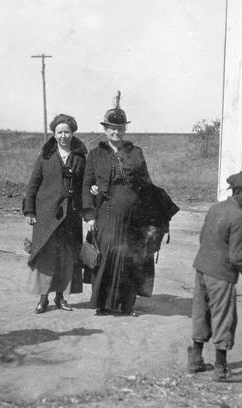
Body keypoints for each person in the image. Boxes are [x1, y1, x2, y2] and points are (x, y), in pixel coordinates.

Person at [187, 172, 242, 382]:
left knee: (201, 314)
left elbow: (202, 237)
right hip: (221, 275)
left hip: (202, 268)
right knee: (224, 318)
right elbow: (239, 256)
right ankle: (221, 370)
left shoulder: (216, 208)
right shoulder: (240, 218)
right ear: (238, 193)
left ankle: (195, 360)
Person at [82, 93, 154, 316]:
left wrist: (151, 219)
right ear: (105, 129)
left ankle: (127, 305)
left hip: (133, 217)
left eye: (120, 128)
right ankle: (102, 304)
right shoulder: (95, 155)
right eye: (112, 128)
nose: (116, 132)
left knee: (130, 259)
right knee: (105, 256)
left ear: (125, 129)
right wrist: (90, 216)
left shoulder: (136, 152)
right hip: (105, 214)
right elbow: (87, 186)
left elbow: (146, 185)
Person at [23, 114, 87, 313]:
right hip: (47, 215)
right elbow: (33, 184)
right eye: (59, 132)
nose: (63, 136)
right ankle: (44, 299)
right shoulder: (46, 156)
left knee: (66, 258)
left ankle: (61, 298)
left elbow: (85, 185)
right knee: (47, 257)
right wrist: (30, 210)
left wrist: (88, 208)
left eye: (67, 132)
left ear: (72, 133)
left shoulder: (79, 157)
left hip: (71, 217)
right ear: (54, 134)